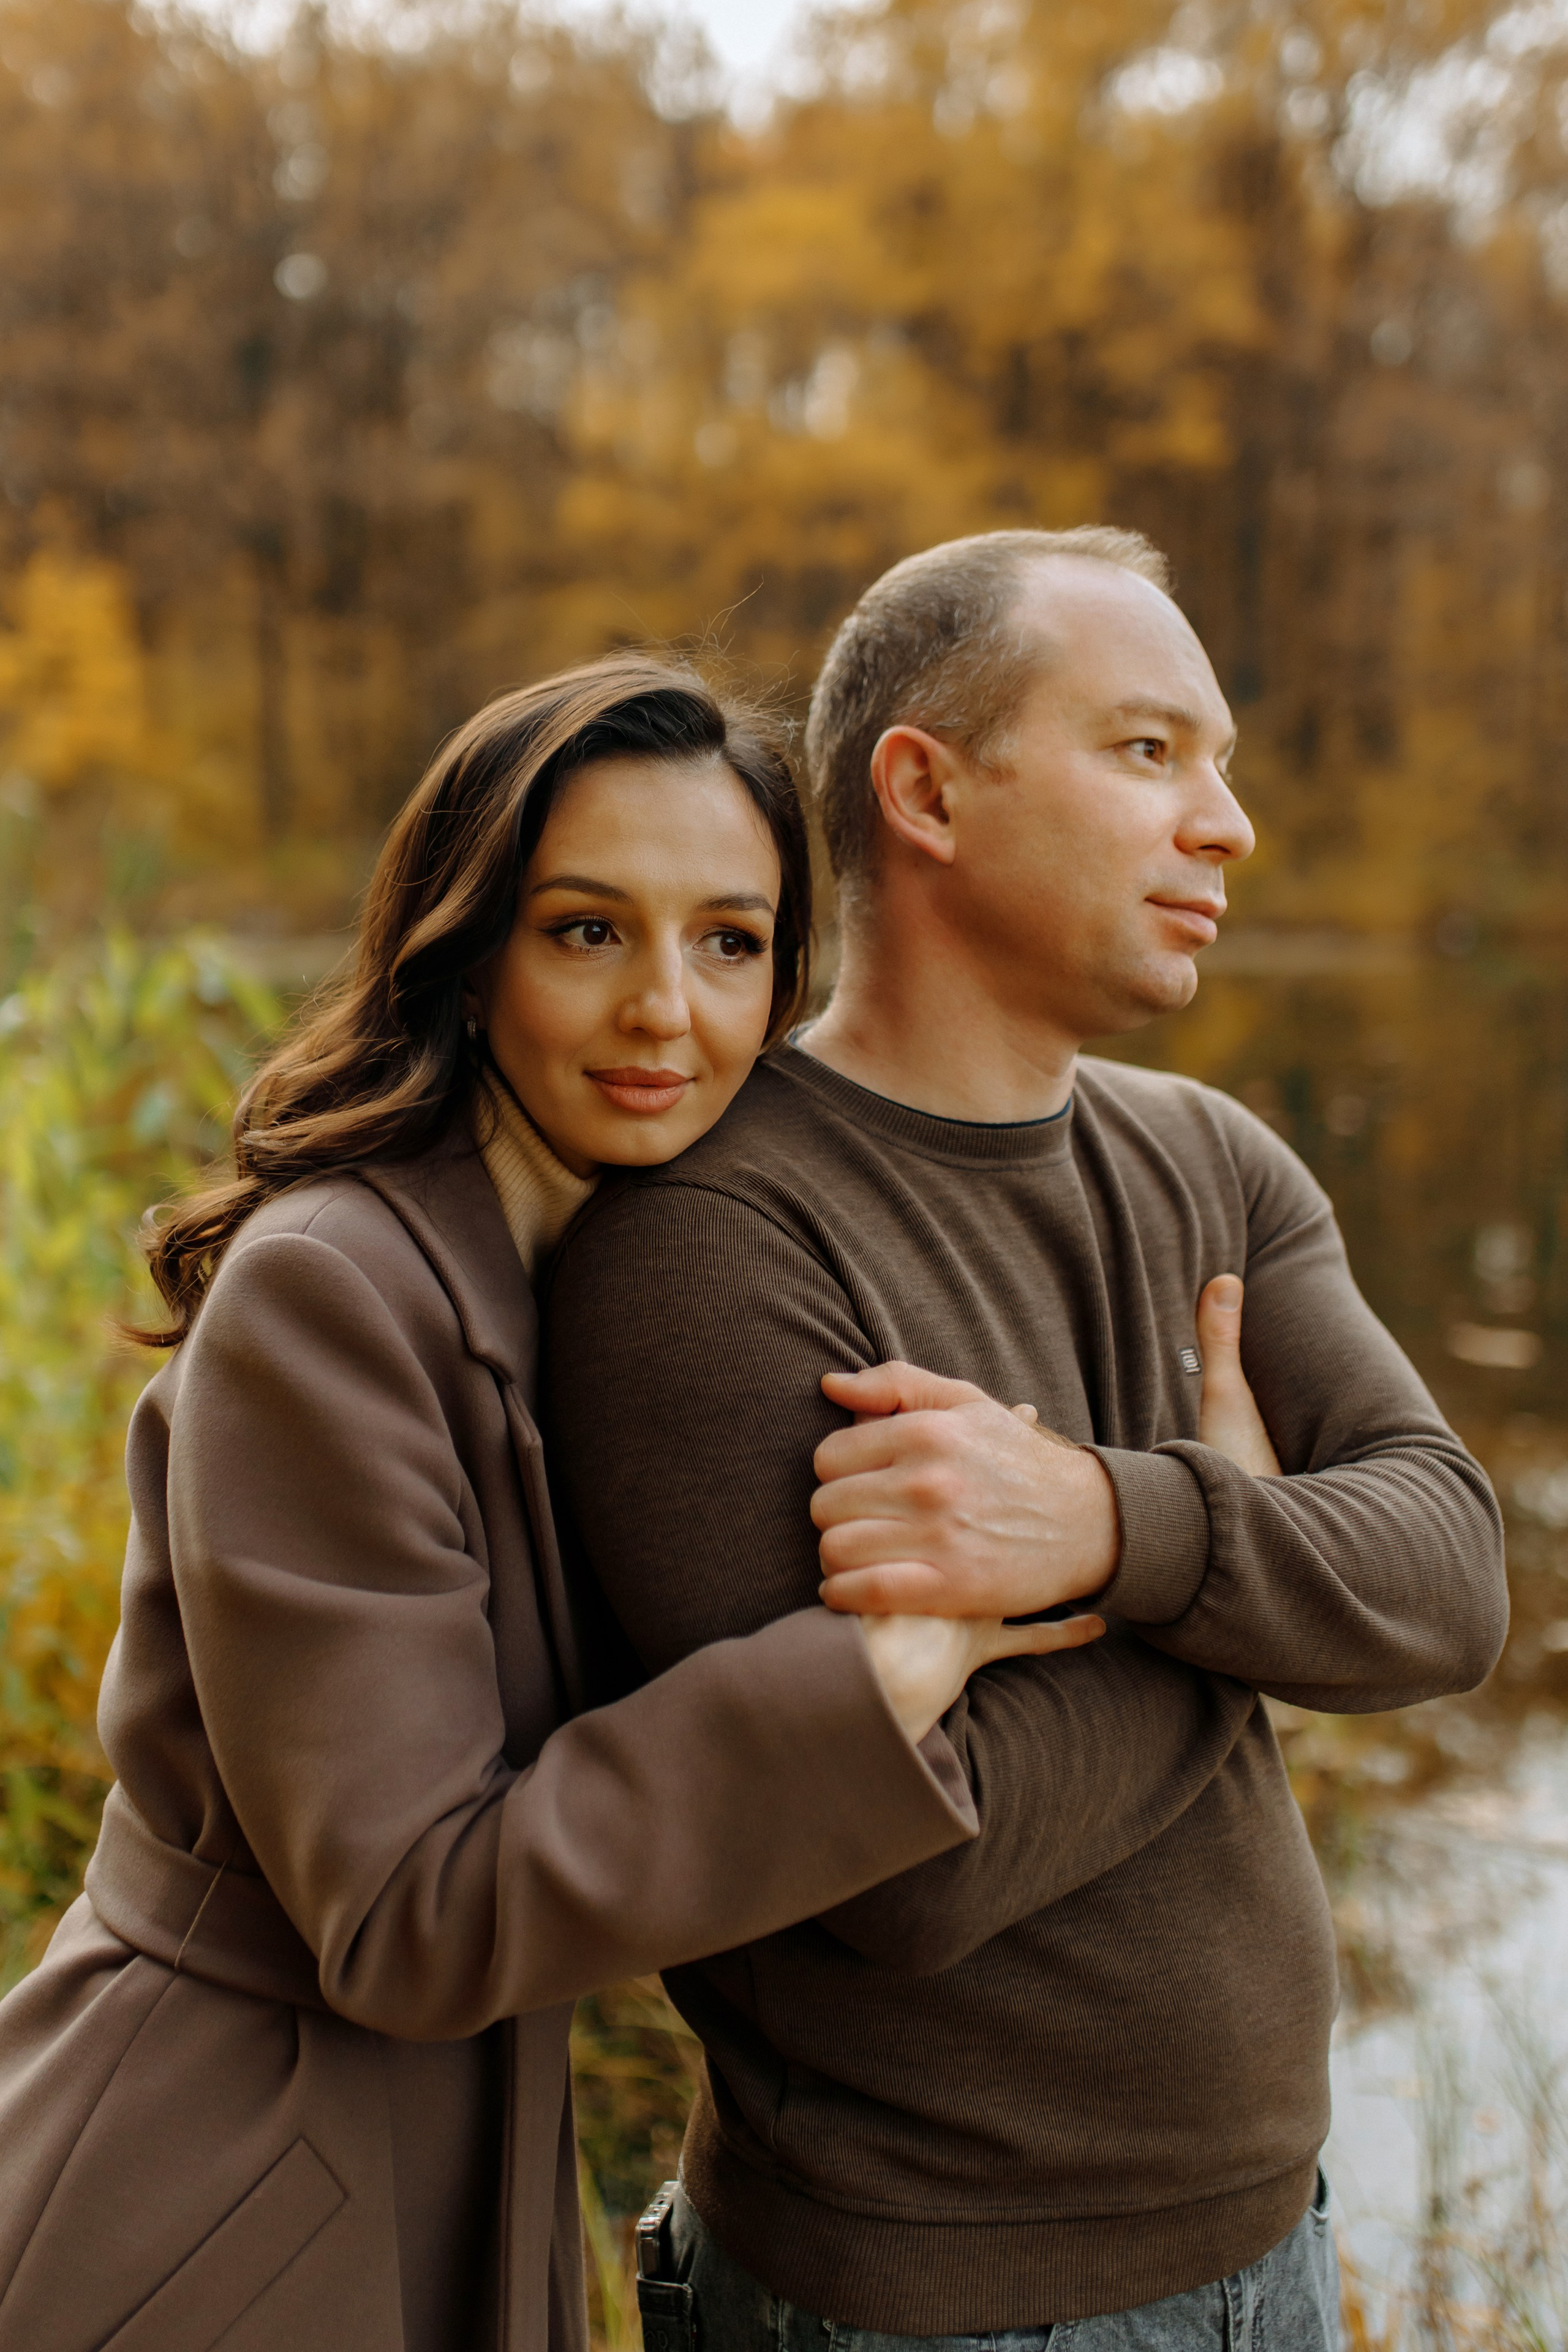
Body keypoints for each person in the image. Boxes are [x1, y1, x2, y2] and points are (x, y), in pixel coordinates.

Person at [0, 656, 1105, 2352]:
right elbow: (411, 1915)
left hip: (442, 2151)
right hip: (222, 2186)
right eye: (589, 930)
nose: (668, 1010)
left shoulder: (610, 1270)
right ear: (466, 956)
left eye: (730, 943)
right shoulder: (336, 1292)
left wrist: (1150, 1502)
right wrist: (875, 1679)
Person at [544, 531, 1511, 2350]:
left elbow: (1453, 1582)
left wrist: (1113, 1527)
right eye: (1150, 753)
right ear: (925, 790)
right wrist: (1247, 1562)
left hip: (1280, 2248)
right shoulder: (706, 1247)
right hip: (926, 2306)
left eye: (1218, 764)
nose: (1224, 825)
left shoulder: (1217, 1165)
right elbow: (911, 1874)